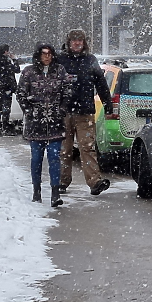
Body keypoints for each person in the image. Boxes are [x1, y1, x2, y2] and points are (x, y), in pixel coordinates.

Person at [55, 29, 113, 196]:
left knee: (87, 148)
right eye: (74, 40)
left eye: (80, 40)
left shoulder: (90, 61)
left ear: (84, 42)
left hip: (85, 112)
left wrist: (108, 106)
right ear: (68, 42)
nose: (77, 43)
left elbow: (101, 85)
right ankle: (62, 181)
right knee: (64, 150)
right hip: (64, 112)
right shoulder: (60, 60)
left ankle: (95, 182)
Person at [17, 43, 71, 207]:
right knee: (36, 158)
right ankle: (36, 191)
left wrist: (62, 109)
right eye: (43, 53)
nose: (47, 56)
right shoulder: (28, 72)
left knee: (54, 157)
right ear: (38, 55)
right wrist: (29, 110)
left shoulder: (60, 70)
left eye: (49, 53)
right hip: (36, 123)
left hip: (55, 122)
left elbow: (67, 91)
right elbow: (20, 94)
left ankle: (55, 193)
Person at [0, 44, 20, 136]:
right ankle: (5, 127)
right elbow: (17, 70)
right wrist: (15, 60)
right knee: (6, 108)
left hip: (0, 87)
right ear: (6, 51)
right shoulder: (6, 62)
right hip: (7, 88)